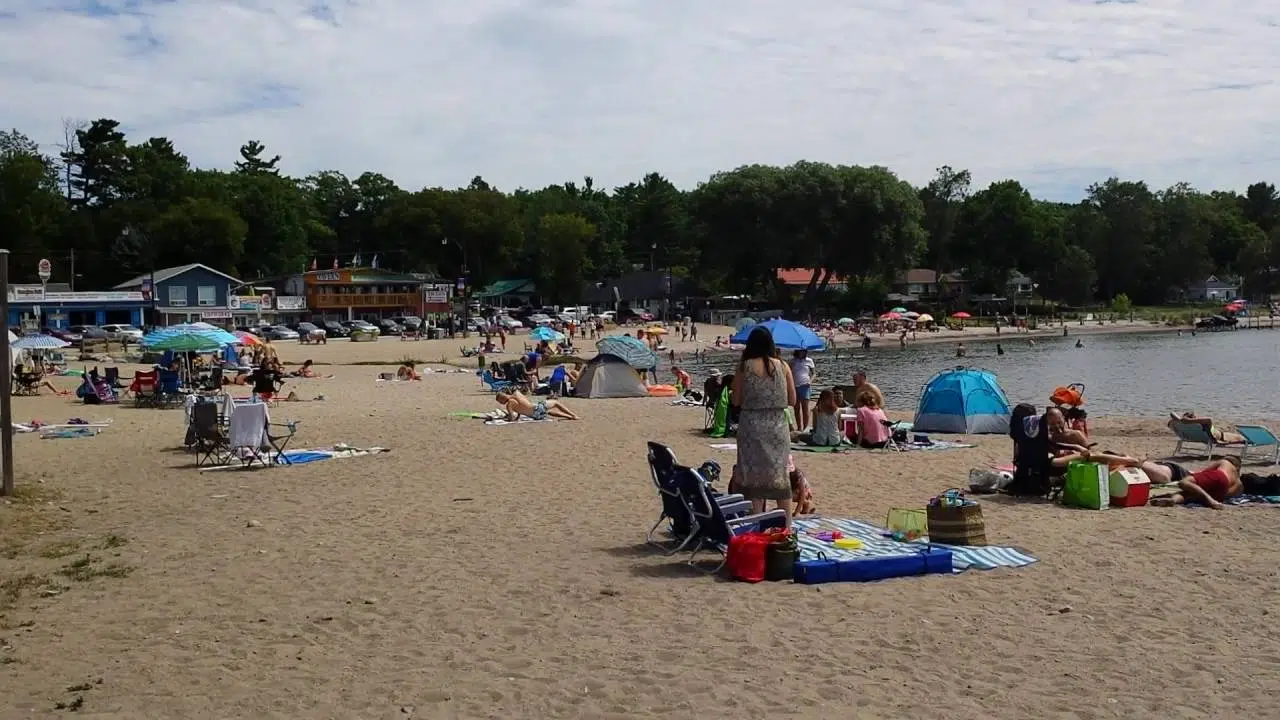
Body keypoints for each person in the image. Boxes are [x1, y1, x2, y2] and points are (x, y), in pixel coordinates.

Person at [731, 326, 797, 525]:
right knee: (779, 475)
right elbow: (792, 399)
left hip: (752, 426)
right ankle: (786, 527)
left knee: (753, 478)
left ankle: (756, 524)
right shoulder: (783, 366)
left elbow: (735, 400)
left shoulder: (745, 366)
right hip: (777, 426)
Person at [1139, 456, 1244, 509]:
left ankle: (1210, 501)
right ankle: (1173, 501)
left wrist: (1197, 477)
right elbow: (1228, 494)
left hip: (1219, 476)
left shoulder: (1225, 462)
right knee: (1188, 494)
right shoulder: (1239, 484)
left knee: (1184, 482)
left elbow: (1206, 472)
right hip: (1221, 492)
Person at [495, 390, 579, 420]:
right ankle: (573, 415)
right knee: (555, 403)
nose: (501, 403)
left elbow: (513, 415)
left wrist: (510, 418)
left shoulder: (509, 404)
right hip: (535, 408)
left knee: (549, 411)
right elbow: (522, 404)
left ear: (502, 398)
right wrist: (515, 417)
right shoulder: (517, 393)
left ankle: (570, 417)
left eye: (500, 401)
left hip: (535, 415)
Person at [1169, 412, 1246, 445]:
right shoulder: (1200, 424)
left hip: (1195, 437)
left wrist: (1182, 420)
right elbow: (1209, 420)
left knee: (1242, 438)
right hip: (1221, 437)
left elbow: (1172, 414)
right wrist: (1189, 420)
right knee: (1243, 438)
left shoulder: (1179, 424)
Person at [789, 349, 816, 431]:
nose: (801, 352)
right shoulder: (793, 361)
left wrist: (810, 381)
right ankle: (799, 427)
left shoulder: (809, 360)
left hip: (805, 386)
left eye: (803, 351)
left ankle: (805, 427)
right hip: (795, 386)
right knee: (796, 408)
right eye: (800, 351)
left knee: (805, 408)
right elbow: (789, 373)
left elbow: (814, 373)